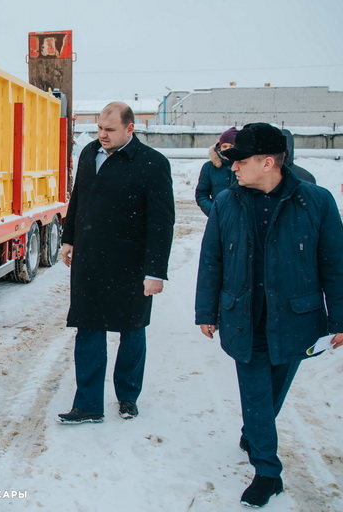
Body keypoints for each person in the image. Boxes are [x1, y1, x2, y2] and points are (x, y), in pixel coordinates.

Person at [195, 122, 343, 508]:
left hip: (295, 319)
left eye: (240, 160)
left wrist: (340, 318)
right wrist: (205, 310)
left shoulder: (317, 201)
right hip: (244, 316)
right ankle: (267, 472)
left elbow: (335, 264)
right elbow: (212, 259)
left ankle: (256, 430)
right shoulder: (227, 201)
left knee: (272, 392)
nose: (233, 168)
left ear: (268, 162)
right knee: (256, 391)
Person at [58, 101, 175, 425]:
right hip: (90, 261)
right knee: (88, 328)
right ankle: (88, 404)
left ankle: (127, 397)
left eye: (110, 130)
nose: (102, 135)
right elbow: (78, 197)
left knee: (132, 330)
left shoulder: (151, 163)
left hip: (131, 263)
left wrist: (155, 272)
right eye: (99, 128)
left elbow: (161, 222)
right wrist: (69, 239)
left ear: (130, 129)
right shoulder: (89, 154)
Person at [195, 127, 238, 216]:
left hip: (242, 219)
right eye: (225, 146)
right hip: (218, 219)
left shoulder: (245, 166)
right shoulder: (209, 167)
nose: (228, 149)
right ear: (220, 147)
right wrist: (214, 212)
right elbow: (201, 195)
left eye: (231, 146)